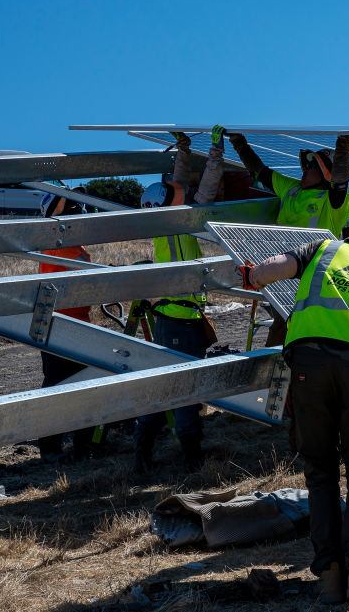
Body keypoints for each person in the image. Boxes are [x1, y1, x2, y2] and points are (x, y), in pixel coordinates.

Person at [243, 207, 349, 604]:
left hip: (309, 368)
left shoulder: (325, 250)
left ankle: (330, 579)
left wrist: (251, 275)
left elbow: (270, 270)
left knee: (320, 473)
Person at [132, 126, 227, 473]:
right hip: (180, 321)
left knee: (164, 386)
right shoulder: (184, 222)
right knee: (182, 390)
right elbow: (207, 185)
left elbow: (179, 183)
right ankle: (190, 459)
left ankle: (145, 453)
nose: (180, 193)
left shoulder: (164, 220)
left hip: (171, 317)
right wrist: (215, 149)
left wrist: (184, 149)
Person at [228, 131, 349, 347]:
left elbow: (340, 182)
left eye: (312, 167)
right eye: (305, 166)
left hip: (312, 279)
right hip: (281, 272)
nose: (305, 170)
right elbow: (260, 172)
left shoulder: (334, 202)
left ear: (326, 172)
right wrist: (240, 145)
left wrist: (342, 149)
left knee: (297, 331)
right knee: (281, 328)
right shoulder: (292, 189)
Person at [36, 192, 97, 461]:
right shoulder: (69, 246)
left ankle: (53, 446)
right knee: (83, 387)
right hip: (69, 325)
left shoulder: (52, 242)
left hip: (55, 323)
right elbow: (88, 281)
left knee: (56, 386)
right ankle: (78, 447)